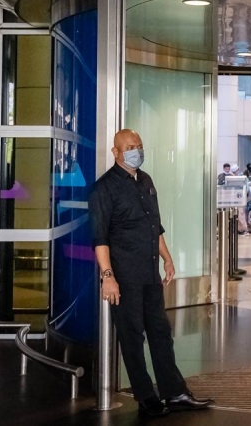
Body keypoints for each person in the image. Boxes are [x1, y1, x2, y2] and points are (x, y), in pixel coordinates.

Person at [90, 129, 213, 418]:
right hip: (124, 276)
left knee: (160, 332)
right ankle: (147, 398)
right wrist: (108, 276)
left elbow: (154, 227)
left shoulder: (145, 181)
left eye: (140, 146)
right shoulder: (103, 189)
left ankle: (175, 393)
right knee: (132, 337)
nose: (137, 151)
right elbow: (100, 239)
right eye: (130, 147)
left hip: (149, 273)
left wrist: (167, 259)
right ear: (116, 152)